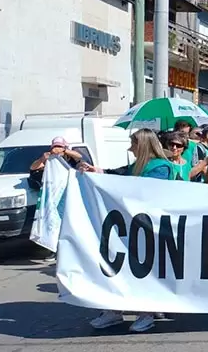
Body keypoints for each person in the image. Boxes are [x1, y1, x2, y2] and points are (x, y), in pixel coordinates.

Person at [78, 128, 174, 332]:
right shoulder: (135, 167)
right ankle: (114, 309)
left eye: (133, 143)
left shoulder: (161, 167)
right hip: (129, 226)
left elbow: (149, 192)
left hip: (150, 227)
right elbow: (117, 175)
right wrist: (97, 172)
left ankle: (146, 311)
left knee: (145, 270)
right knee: (119, 268)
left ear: (143, 145)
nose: (130, 148)